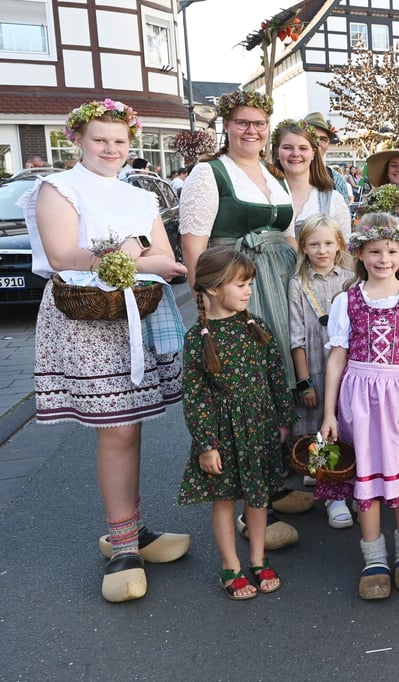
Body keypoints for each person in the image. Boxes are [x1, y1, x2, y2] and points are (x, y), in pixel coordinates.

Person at [22, 98, 191, 602]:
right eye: (100, 139)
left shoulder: (137, 194)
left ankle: (132, 530)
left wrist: (133, 253)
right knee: (117, 430)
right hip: (88, 319)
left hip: (133, 315)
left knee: (131, 425)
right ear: (77, 138)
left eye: (119, 141)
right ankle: (122, 544)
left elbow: (165, 254)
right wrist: (129, 252)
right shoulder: (58, 188)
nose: (111, 149)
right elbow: (63, 255)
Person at [179, 89, 312, 549]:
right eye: (242, 122)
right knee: (240, 381)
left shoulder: (273, 174)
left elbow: (288, 234)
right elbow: (194, 243)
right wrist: (206, 301)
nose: (251, 130)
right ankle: (245, 502)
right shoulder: (208, 173)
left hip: (275, 282)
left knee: (272, 375)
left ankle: (270, 485)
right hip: (236, 283)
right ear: (228, 126)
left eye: (259, 123)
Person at [320, 213, 399, 600]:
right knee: (366, 476)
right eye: (374, 251)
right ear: (360, 254)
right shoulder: (347, 300)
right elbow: (337, 358)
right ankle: (373, 556)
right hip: (358, 396)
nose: (383, 259)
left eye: (391, 250)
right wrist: (327, 413)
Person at [178, 248, 293, 600]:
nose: (248, 291)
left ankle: (258, 559)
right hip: (223, 433)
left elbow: (276, 374)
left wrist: (283, 418)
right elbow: (194, 396)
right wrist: (206, 444)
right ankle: (230, 565)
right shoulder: (198, 338)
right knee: (224, 499)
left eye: (250, 284)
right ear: (212, 289)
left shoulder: (255, 326)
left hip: (258, 426)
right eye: (240, 284)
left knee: (258, 498)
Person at [287, 213, 355, 529]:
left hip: (349, 367)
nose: (322, 250)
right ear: (304, 247)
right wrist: (303, 381)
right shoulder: (298, 284)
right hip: (316, 365)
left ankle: (345, 479)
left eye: (328, 243)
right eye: (314, 244)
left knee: (346, 423)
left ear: (339, 244)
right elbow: (296, 336)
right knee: (320, 427)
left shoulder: (351, 278)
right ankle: (331, 493)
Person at [271, 118, 352, 243]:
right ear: (276, 151)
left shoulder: (333, 200)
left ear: (313, 153)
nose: (295, 154)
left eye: (303, 148)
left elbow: (344, 250)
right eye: (287, 148)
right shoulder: (265, 194)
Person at [302, 112, 350, 198]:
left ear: (328, 144)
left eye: (323, 139)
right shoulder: (288, 175)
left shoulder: (336, 179)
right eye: (312, 137)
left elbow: (344, 210)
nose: (317, 143)